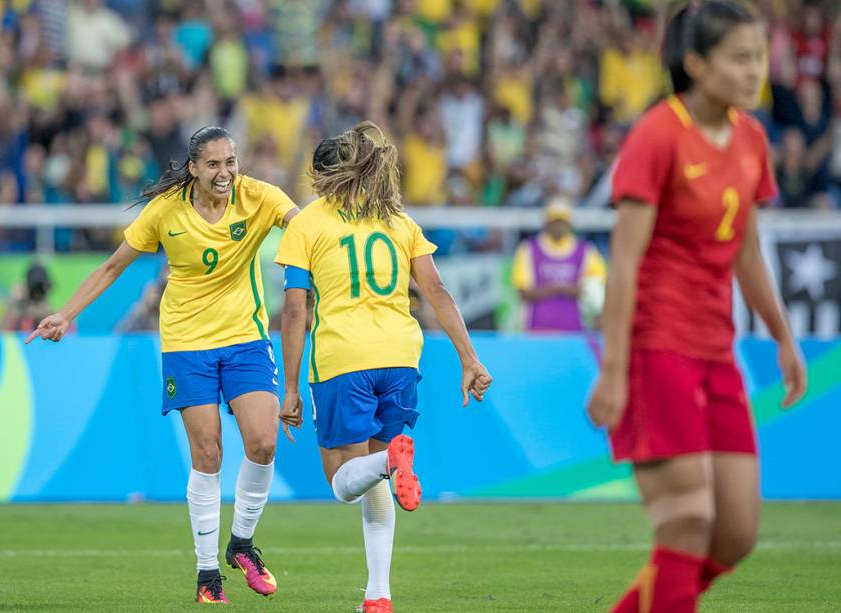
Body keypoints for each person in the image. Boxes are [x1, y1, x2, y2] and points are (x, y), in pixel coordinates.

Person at [587, 3, 808, 612]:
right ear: (696, 64)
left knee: (734, 536)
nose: (754, 70)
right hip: (657, 350)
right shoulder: (657, 135)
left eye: (759, 57)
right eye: (740, 58)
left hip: (717, 352)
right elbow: (624, 262)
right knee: (686, 526)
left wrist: (783, 337)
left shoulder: (751, 137)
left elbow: (747, 250)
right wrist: (613, 370)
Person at [26, 126, 299, 605]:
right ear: (193, 167)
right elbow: (113, 267)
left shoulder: (259, 197)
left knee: (263, 440)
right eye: (213, 164)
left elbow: (307, 228)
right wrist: (65, 315)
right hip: (187, 343)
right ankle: (207, 574)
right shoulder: (165, 213)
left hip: (246, 339)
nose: (225, 173)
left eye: (230, 162)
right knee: (209, 452)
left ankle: (241, 544)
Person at [274, 121, 492, 613]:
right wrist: (469, 358)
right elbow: (437, 292)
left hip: (343, 358)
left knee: (344, 480)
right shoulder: (398, 220)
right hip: (400, 358)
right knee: (375, 480)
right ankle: (378, 596)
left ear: (326, 178)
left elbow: (294, 309)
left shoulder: (309, 222)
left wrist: (289, 387)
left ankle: (391, 462)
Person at [510, 196, 607, 332]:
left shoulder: (587, 251)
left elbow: (595, 291)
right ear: (547, 222)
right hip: (535, 332)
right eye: (555, 221)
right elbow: (523, 292)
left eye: (562, 222)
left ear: (569, 223)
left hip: (576, 333)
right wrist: (563, 289)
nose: (558, 226)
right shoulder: (528, 249)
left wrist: (548, 289)